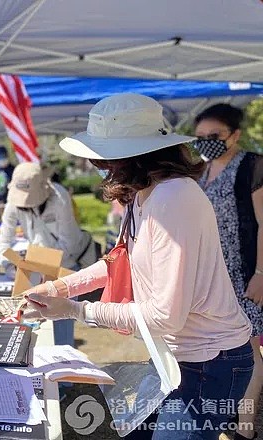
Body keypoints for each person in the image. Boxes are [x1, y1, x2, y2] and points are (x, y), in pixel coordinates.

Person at [21, 93, 254, 439]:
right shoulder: (143, 194)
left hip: (210, 363)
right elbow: (120, 262)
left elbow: (164, 315)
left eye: (105, 159)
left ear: (133, 156)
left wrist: (74, 310)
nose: (101, 168)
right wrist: (59, 287)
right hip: (177, 358)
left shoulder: (174, 198)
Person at [194, 103, 263, 440]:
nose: (206, 142)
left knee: (249, 348)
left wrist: (261, 274)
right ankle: (226, 417)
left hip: (245, 274)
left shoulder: (252, 166)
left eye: (214, 136)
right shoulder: (200, 172)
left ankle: (245, 429)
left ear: (235, 135)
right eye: (200, 137)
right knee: (221, 349)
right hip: (211, 277)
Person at [0, 162, 97, 275]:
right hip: (38, 266)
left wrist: (37, 261)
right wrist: (9, 264)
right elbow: (4, 241)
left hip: (72, 264)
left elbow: (69, 244)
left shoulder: (59, 198)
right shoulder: (13, 203)